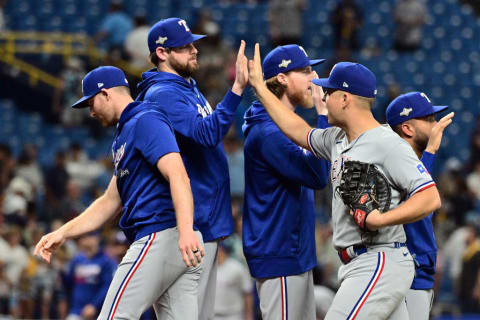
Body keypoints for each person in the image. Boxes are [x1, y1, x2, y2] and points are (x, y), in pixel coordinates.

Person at [247, 44, 442, 319]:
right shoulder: (337, 139)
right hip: (358, 262)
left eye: (329, 92)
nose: (323, 97)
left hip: (380, 258)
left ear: (345, 98)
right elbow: (297, 130)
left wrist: (380, 220)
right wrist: (260, 88)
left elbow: (430, 197)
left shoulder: (387, 142)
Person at [34, 66, 204, 319]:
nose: (90, 112)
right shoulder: (125, 133)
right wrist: (62, 233)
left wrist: (186, 229)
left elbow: (178, 174)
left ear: (106, 94)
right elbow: (110, 201)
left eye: (91, 102)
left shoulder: (145, 119)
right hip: (176, 243)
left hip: (162, 235)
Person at [136, 17, 248, 320]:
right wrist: (236, 89)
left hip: (206, 219)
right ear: (162, 53)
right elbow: (206, 134)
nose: (194, 50)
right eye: (184, 46)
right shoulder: (164, 94)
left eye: (193, 44)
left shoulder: (185, 87)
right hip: (193, 223)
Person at [242, 44, 330, 320]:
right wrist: (323, 116)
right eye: (304, 71)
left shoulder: (282, 125)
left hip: (292, 251)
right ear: (281, 78)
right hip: (279, 252)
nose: (313, 77)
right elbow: (317, 177)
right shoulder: (268, 131)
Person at [386, 92, 454, 320]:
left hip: (418, 274)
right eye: (429, 120)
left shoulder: (417, 163)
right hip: (405, 274)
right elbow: (415, 200)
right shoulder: (391, 162)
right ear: (407, 128)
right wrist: (431, 151)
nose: (435, 126)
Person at [63, 232, 117, 320]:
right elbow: (69, 283)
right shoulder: (77, 259)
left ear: (97, 239)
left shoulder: (105, 260)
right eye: (85, 237)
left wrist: (94, 305)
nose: (87, 240)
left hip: (97, 311)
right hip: (76, 310)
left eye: (90, 237)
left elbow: (107, 286)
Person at [214, 241, 253, 320]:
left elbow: (247, 293)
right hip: (213, 315)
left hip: (233, 315)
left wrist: (249, 315)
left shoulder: (237, 268)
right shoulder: (209, 269)